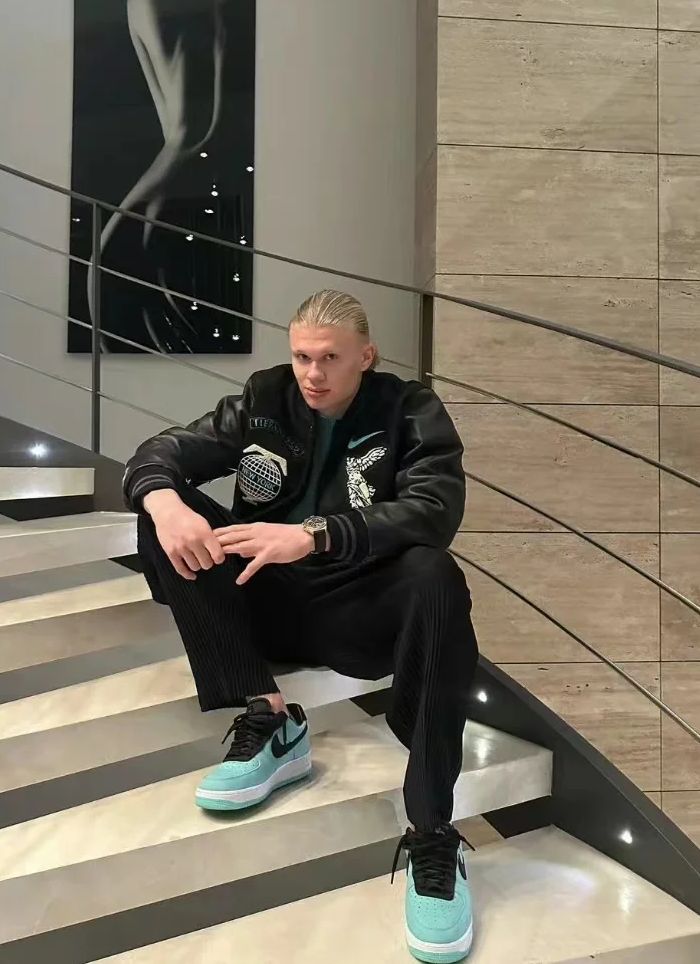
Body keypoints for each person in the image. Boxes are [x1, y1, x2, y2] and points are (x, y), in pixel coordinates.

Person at [123, 289, 478, 962]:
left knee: (436, 574)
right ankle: (270, 715)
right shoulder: (265, 399)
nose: (313, 374)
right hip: (266, 604)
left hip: (357, 609)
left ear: (366, 357)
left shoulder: (410, 410)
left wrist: (314, 535)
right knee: (163, 515)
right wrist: (166, 502)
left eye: (330, 358)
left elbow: (435, 509)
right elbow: (164, 450)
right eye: (302, 357)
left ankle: (432, 832)